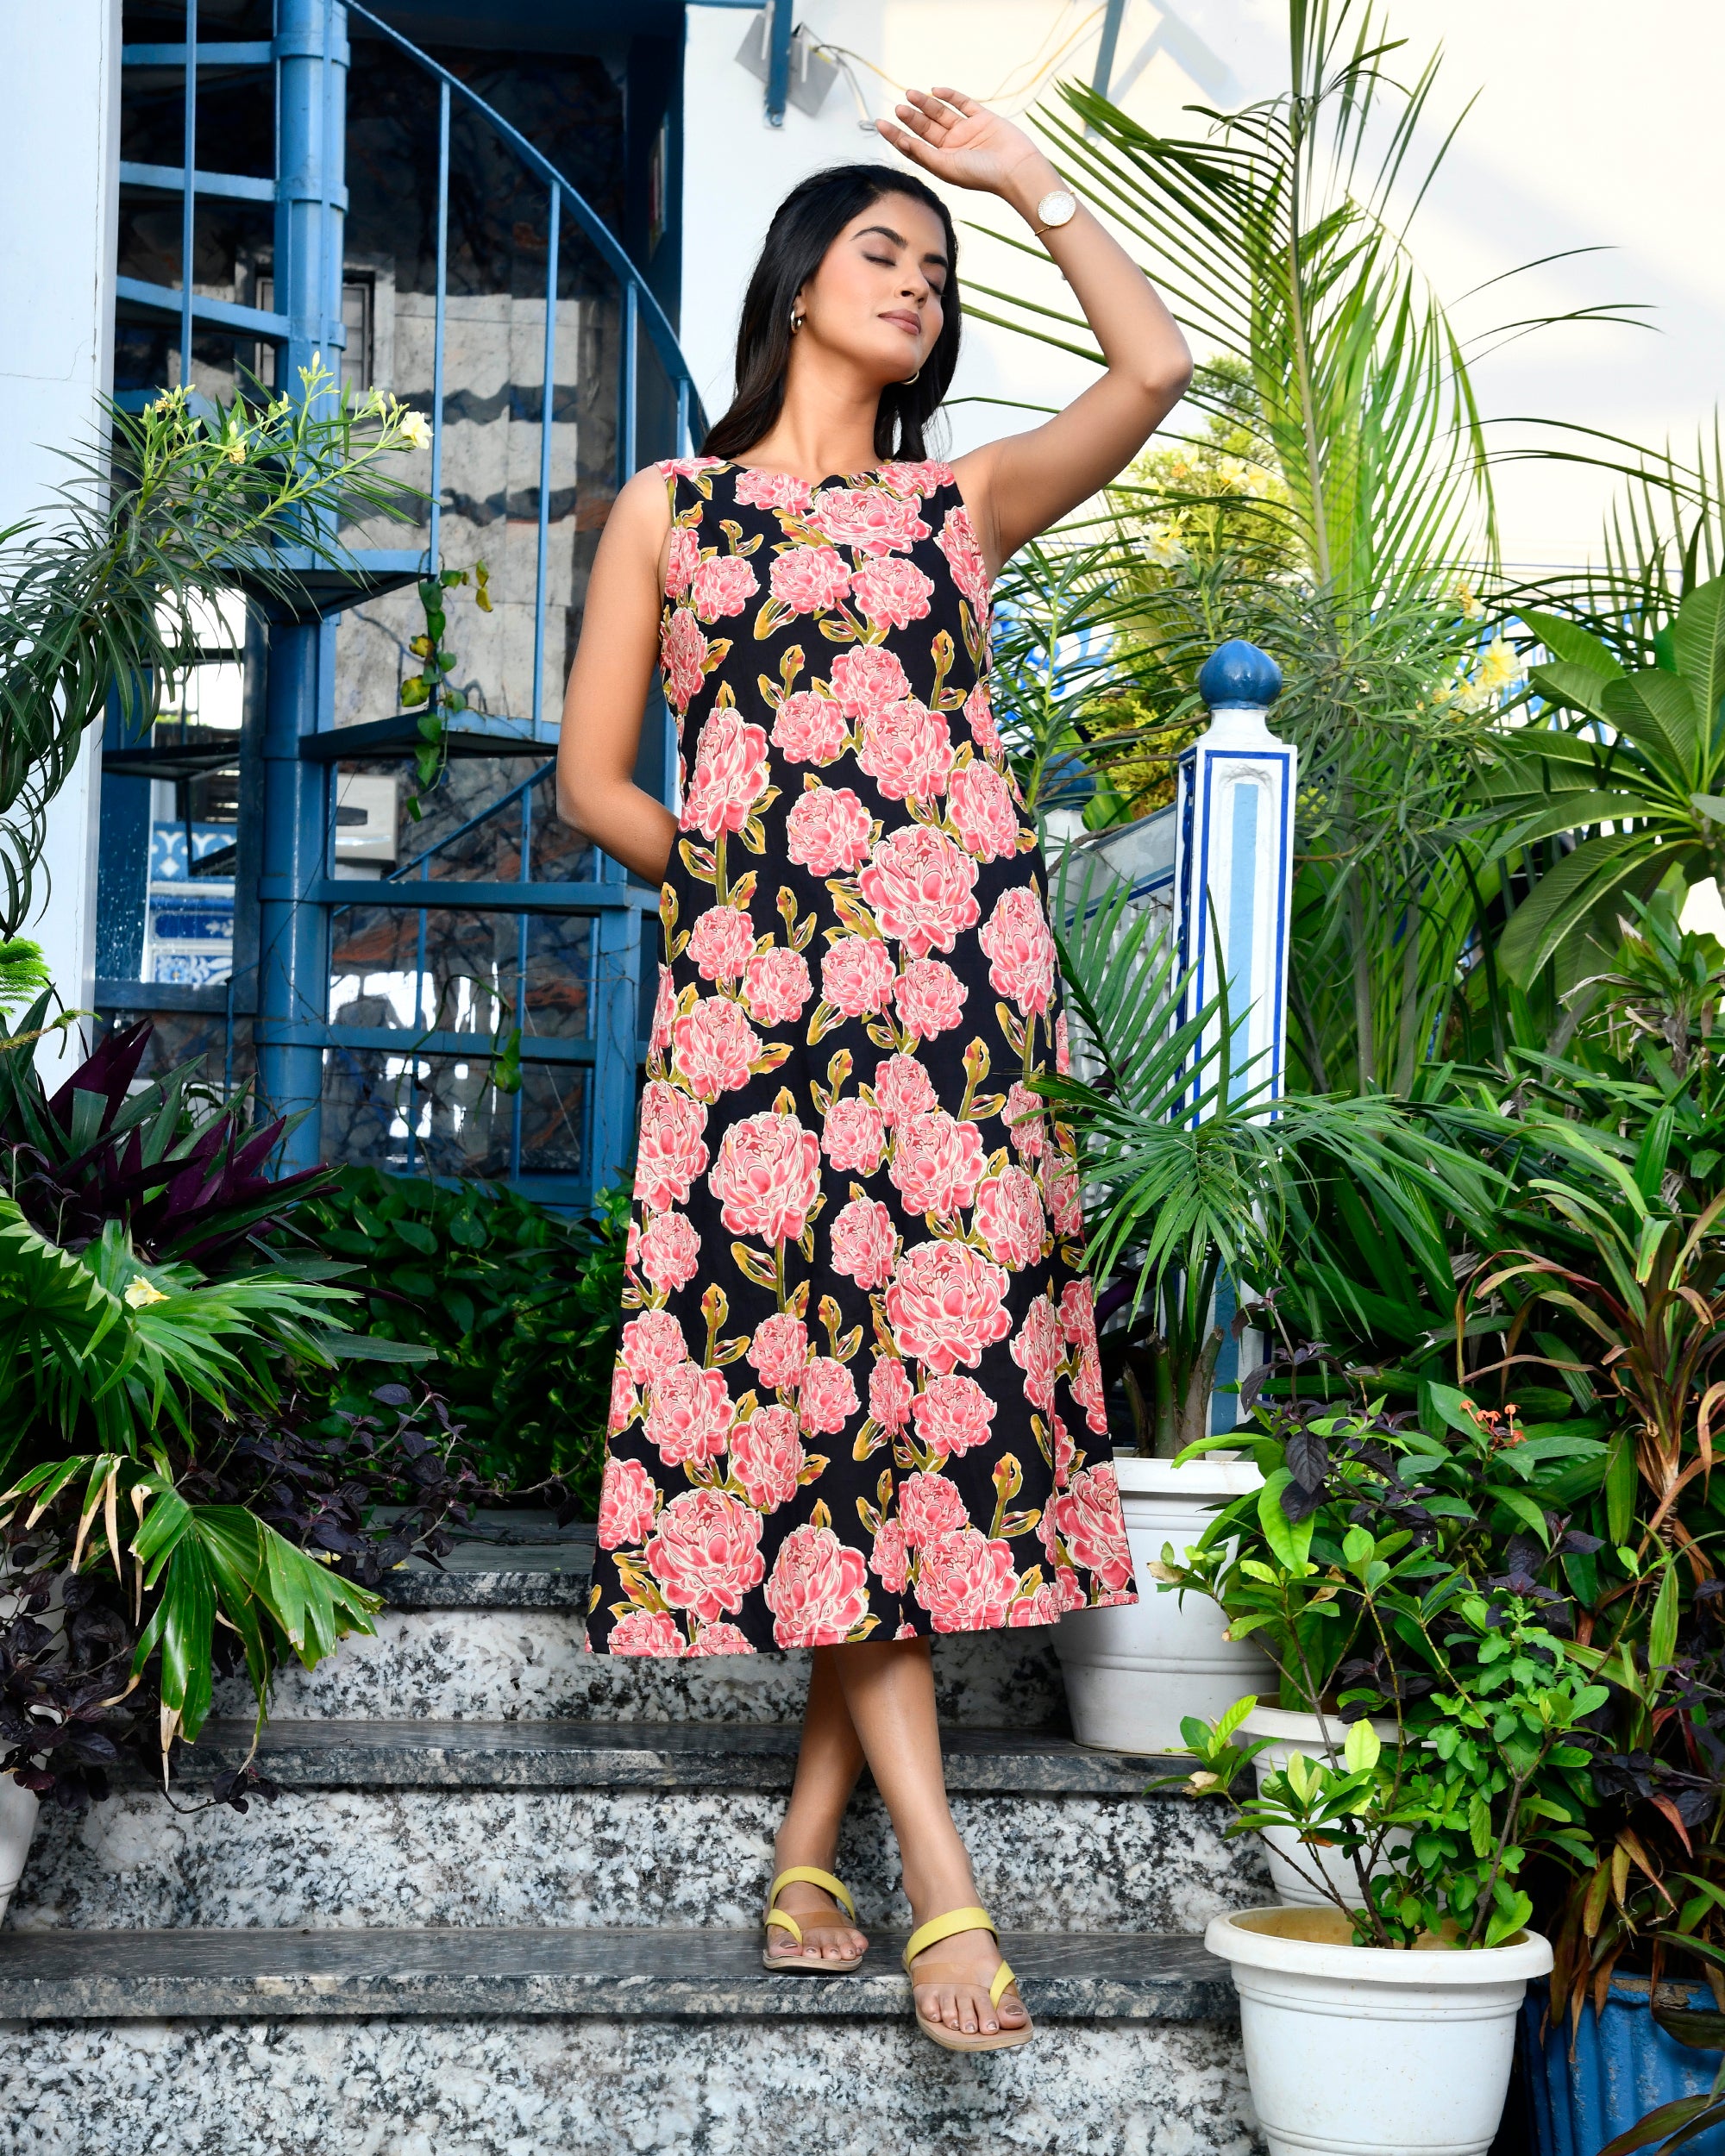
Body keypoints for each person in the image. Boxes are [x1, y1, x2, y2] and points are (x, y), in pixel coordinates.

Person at [557, 85, 1191, 2053]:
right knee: (830, 1408)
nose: (918, 284)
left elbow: (1154, 365)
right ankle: (942, 1883)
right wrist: (753, 883)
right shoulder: (667, 505)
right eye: (883, 251)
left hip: (955, 1032)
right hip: (758, 1029)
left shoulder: (957, 507)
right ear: (797, 287)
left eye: (941, 267)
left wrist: (1032, 186)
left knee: (899, 1407)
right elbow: (591, 783)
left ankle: (810, 1840)